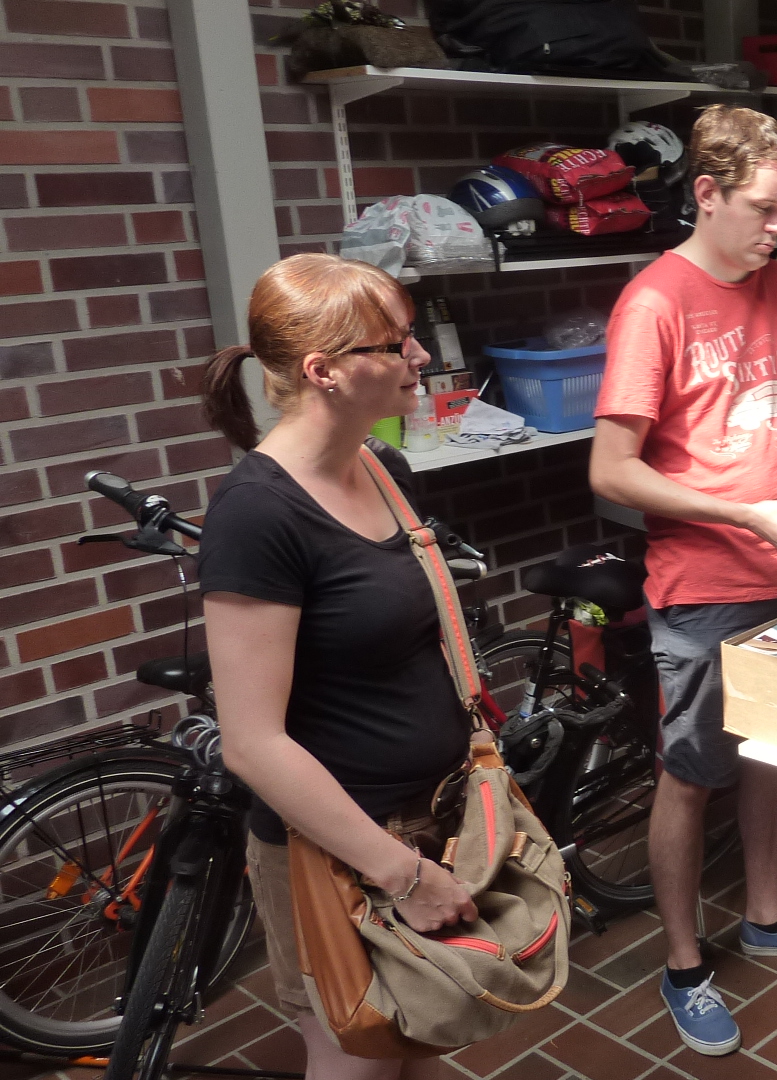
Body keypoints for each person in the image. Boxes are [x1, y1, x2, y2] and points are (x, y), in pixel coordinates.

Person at [588, 105, 777, 1057]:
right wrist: (743, 515)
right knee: (693, 772)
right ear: (706, 194)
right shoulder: (655, 303)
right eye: (763, 209)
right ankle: (682, 962)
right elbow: (611, 471)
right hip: (707, 583)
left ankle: (767, 915)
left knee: (776, 751)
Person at [198, 253, 477, 1080]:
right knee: (358, 1060)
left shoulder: (384, 469)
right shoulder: (256, 514)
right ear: (324, 371)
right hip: (340, 854)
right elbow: (251, 743)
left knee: (423, 1044)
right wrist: (402, 875)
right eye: (396, 344)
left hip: (429, 821)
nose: (420, 357)